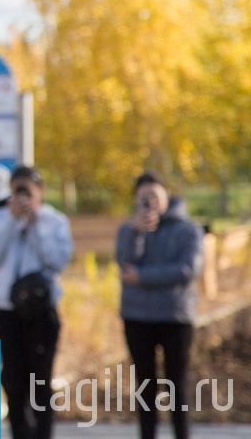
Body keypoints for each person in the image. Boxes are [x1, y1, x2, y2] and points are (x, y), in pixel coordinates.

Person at [0, 165, 73, 439]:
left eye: (27, 191)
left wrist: (35, 225)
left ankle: (43, 433)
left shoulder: (54, 221)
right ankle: (20, 432)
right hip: (8, 311)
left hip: (41, 310)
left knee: (41, 379)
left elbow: (57, 261)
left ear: (40, 193)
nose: (22, 198)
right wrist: (11, 220)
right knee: (13, 378)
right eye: (17, 190)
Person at [115, 171, 203, 439]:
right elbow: (124, 264)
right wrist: (137, 233)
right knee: (145, 386)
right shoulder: (128, 230)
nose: (149, 202)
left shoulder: (188, 229)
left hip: (175, 316)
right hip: (137, 317)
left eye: (153, 195)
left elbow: (187, 270)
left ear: (167, 196)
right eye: (142, 197)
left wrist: (142, 277)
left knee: (177, 384)